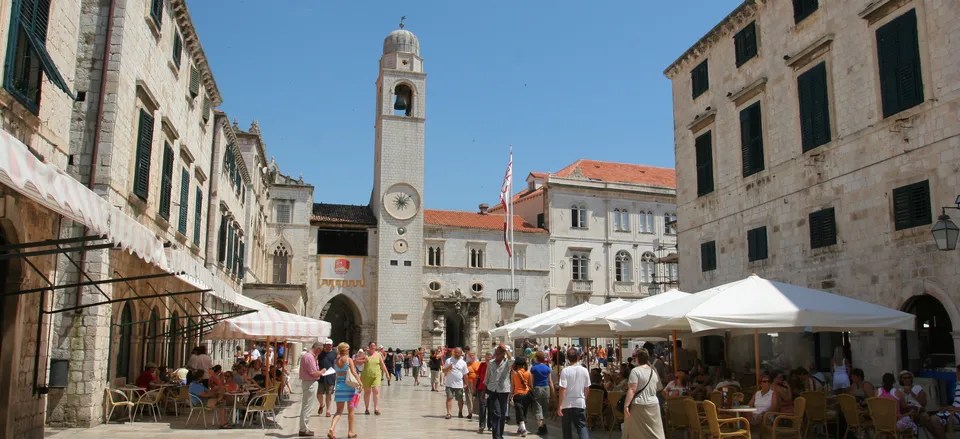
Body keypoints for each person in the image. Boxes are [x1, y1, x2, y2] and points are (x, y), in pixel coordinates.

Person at [623, 348, 664, 439]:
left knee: (637, 433)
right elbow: (658, 387)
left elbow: (632, 389)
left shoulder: (636, 371)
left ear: (637, 358)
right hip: (653, 403)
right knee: (655, 432)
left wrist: (626, 406)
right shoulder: (653, 371)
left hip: (639, 404)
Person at [328, 342, 362, 439]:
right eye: (348, 349)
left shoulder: (336, 361)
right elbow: (354, 373)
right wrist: (360, 383)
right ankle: (350, 432)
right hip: (349, 386)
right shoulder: (349, 360)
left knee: (338, 411)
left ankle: (332, 428)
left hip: (339, 386)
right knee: (351, 411)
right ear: (346, 350)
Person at [558, 348, 590, 439]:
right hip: (579, 401)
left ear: (567, 358)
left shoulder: (565, 371)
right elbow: (587, 388)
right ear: (578, 357)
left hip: (567, 403)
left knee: (566, 428)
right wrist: (584, 398)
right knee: (581, 426)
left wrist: (560, 404)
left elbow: (562, 389)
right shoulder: (584, 370)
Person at [298, 341, 326, 437]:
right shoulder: (309, 357)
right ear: (318, 349)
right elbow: (314, 373)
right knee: (307, 407)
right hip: (310, 383)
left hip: (309, 382)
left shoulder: (310, 356)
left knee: (307, 406)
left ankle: (305, 427)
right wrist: (322, 371)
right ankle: (303, 429)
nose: (320, 353)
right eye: (320, 351)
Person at [484, 344, 513, 439]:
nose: (496, 354)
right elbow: (487, 376)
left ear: (503, 354)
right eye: (496, 352)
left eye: (498, 353)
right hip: (492, 389)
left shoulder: (507, 362)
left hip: (503, 390)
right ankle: (496, 436)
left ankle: (500, 434)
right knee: (496, 413)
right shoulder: (491, 363)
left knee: (503, 414)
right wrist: (484, 389)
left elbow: (512, 360)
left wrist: (505, 349)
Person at [356, 341, 390, 415]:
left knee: (376, 391)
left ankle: (376, 408)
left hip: (376, 376)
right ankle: (367, 408)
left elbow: (382, 365)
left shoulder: (378, 355)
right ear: (369, 346)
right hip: (366, 376)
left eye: (374, 346)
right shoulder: (365, 354)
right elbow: (356, 361)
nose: (373, 347)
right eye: (371, 346)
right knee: (367, 392)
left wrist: (387, 374)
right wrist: (363, 358)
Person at [530, 351, 554, 435]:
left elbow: (531, 381)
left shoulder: (533, 368)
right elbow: (550, 381)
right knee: (545, 407)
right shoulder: (547, 368)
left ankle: (540, 428)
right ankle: (545, 426)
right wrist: (553, 391)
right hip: (546, 388)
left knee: (538, 408)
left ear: (537, 358)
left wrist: (532, 390)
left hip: (537, 388)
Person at [443, 347, 469, 419]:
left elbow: (465, 374)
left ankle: (460, 412)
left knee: (460, 399)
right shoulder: (449, 360)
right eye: (455, 352)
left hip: (459, 384)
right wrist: (448, 368)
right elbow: (443, 370)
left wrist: (466, 384)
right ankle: (449, 413)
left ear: (461, 354)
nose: (457, 354)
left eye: (458, 353)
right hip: (449, 383)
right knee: (449, 398)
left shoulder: (463, 363)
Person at [511, 356, 533, 437]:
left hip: (518, 394)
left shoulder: (515, 373)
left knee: (519, 412)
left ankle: (523, 429)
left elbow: (513, 385)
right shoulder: (528, 373)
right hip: (527, 394)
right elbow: (530, 385)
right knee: (524, 412)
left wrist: (511, 394)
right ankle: (520, 428)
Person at [317, 339, 337, 417]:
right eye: (327, 344)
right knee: (319, 394)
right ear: (325, 345)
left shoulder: (334, 354)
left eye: (330, 344)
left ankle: (328, 410)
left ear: (332, 345)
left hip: (330, 376)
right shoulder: (320, 353)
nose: (328, 346)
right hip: (321, 375)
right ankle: (322, 404)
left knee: (329, 394)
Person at [466, 352, 480, 419]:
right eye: (470, 356)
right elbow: (464, 375)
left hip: (477, 382)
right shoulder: (466, 364)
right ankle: (470, 412)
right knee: (469, 397)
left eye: (473, 355)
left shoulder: (478, 363)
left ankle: (478, 411)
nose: (472, 357)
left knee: (477, 398)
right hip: (469, 382)